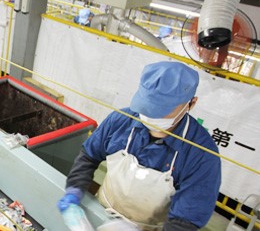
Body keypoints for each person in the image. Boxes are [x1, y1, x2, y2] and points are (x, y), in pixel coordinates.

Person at [57, 61, 221, 230]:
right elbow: (89, 156)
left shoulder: (202, 154)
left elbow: (185, 221)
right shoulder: (121, 120)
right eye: (148, 106)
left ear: (191, 104)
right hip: (102, 212)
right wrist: (74, 191)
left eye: (164, 109)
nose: (152, 114)